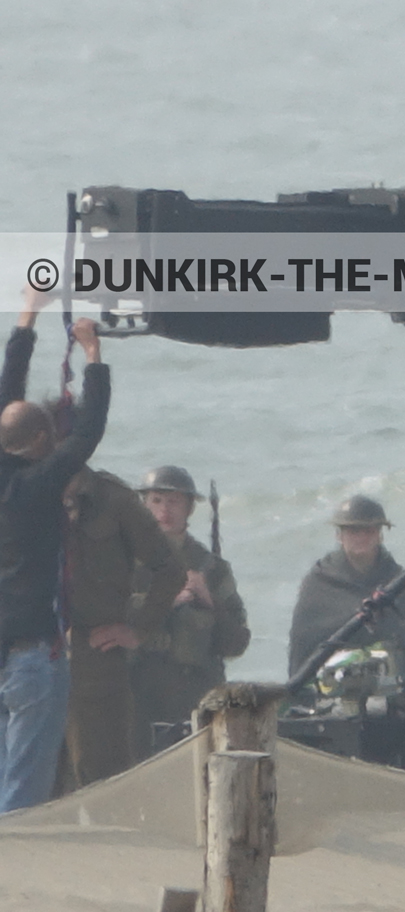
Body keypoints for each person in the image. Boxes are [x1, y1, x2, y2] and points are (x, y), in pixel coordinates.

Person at [0, 298, 108, 813]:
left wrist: (27, 318)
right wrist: (94, 357)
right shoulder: (39, 486)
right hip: (31, 658)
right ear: (43, 439)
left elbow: (8, 395)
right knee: (22, 795)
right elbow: (86, 434)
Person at [61, 462, 187, 786]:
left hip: (96, 657)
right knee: (38, 782)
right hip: (30, 653)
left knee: (105, 776)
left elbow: (170, 570)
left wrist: (138, 629)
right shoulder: (21, 488)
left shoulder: (111, 499)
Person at [130, 466, 251, 755]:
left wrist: (209, 600)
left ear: (188, 508)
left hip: (195, 695)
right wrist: (166, 600)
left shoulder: (212, 569)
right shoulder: (126, 560)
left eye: (174, 502)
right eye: (156, 500)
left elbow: (236, 642)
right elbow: (106, 617)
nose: (165, 510)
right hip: (137, 693)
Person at [287, 496, 405, 676]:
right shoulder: (319, 582)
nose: (361, 537)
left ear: (380, 535)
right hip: (333, 686)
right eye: (353, 531)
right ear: (339, 535)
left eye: (369, 530)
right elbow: (302, 650)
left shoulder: (397, 580)